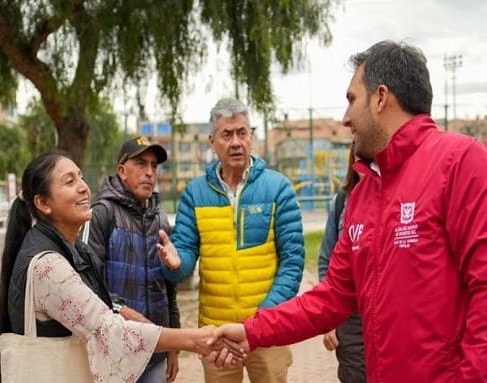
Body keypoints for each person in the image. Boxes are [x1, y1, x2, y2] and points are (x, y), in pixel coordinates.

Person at [208, 41, 487, 382]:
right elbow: (333, 296)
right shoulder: (364, 191)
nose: (345, 117)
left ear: (381, 98)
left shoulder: (461, 162)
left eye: (352, 99)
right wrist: (252, 331)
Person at [0, 151, 237, 382]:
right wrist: (193, 339)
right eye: (69, 181)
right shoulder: (50, 264)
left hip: (150, 343)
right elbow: (108, 330)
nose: (84, 187)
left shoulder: (77, 248)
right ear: (43, 203)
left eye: (81, 177)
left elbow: (121, 296)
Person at [158, 97, 305, 382]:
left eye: (242, 132)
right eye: (227, 134)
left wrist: (261, 322)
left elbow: (293, 263)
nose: (236, 142)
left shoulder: (278, 188)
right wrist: (175, 264)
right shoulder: (194, 193)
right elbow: (185, 255)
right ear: (212, 141)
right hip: (216, 335)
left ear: (252, 137)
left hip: (268, 330)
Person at [83, 136, 180, 383]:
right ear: (121, 171)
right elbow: (86, 284)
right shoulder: (101, 214)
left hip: (154, 351)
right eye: (140, 164)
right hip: (114, 351)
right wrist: (125, 315)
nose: (149, 172)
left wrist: (172, 345)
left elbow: (169, 290)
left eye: (154, 166)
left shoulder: (160, 221)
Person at [318, 145, 365, 383]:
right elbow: (327, 260)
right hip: (351, 319)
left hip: (392, 316)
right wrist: (329, 320)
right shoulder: (341, 203)